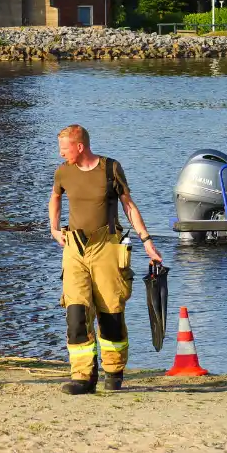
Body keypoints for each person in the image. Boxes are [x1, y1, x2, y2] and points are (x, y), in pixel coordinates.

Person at [49, 124, 162, 395]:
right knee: (76, 313)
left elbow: (128, 205)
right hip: (75, 248)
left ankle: (114, 371)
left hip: (108, 246)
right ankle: (82, 376)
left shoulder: (110, 169)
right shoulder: (63, 171)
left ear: (79, 146)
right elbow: (55, 197)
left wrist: (147, 241)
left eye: (64, 148)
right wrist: (54, 228)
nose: (61, 153)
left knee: (110, 313)